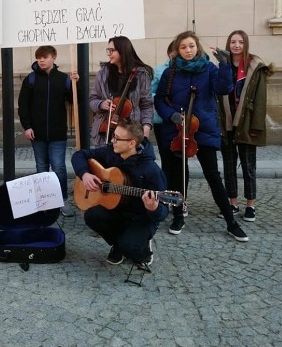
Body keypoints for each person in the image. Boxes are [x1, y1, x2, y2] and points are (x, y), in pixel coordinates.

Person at [154, 30, 248, 241]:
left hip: (203, 129)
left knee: (213, 176)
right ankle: (178, 215)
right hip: (178, 131)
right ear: (177, 50)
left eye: (191, 46)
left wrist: (224, 65)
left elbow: (224, 88)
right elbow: (159, 100)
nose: (188, 50)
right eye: (183, 47)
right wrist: (171, 116)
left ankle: (230, 222)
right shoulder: (170, 72)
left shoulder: (209, 68)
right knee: (178, 176)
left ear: (197, 47)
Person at [72, 118, 168, 267]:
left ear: (131, 143)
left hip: (140, 217)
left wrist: (153, 208)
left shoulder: (151, 170)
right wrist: (84, 174)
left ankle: (142, 249)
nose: (112, 140)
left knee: (129, 246)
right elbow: (79, 155)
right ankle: (118, 244)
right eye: (113, 135)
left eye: (117, 138)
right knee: (92, 215)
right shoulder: (110, 152)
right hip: (117, 211)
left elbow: (163, 211)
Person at [17, 45, 80, 217]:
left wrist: (76, 84)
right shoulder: (30, 79)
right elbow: (23, 106)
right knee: (42, 167)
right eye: (39, 57)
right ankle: (45, 201)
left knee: (59, 167)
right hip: (36, 133)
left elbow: (75, 101)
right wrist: (27, 126)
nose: (41, 60)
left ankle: (62, 200)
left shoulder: (63, 79)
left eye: (45, 57)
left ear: (54, 58)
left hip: (57, 132)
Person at [217, 30, 270, 222]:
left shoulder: (255, 67)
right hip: (227, 122)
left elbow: (261, 99)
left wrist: (257, 126)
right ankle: (232, 202)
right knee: (229, 166)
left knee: (248, 166)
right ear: (228, 44)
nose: (236, 45)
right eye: (233, 42)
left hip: (246, 122)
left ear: (245, 44)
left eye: (240, 42)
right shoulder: (223, 65)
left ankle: (250, 205)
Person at [89, 36, 154, 147]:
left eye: (112, 50)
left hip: (131, 130)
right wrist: (101, 104)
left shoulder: (141, 74)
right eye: (108, 50)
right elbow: (92, 99)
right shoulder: (103, 73)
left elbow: (146, 104)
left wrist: (146, 126)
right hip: (106, 130)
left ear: (123, 51)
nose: (108, 53)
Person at [151, 40, 190, 221]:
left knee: (182, 164)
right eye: (174, 52)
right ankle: (167, 197)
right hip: (162, 121)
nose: (176, 54)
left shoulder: (188, 70)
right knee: (167, 162)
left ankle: (183, 200)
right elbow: (151, 93)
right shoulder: (160, 70)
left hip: (182, 123)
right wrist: (165, 103)